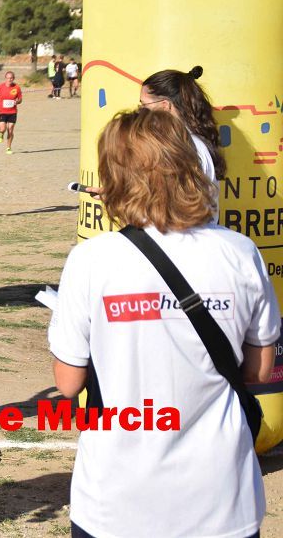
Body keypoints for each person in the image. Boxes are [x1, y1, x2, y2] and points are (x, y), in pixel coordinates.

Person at [48, 107, 278, 538]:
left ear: (113, 177)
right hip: (222, 499)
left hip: (115, 501)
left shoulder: (92, 259)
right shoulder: (240, 251)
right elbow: (259, 370)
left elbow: (67, 382)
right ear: (189, 167)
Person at [138, 66, 224, 185]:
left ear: (164, 106)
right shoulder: (186, 143)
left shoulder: (186, 148)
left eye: (144, 105)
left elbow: (176, 199)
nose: (140, 111)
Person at [0, 71, 22, 155]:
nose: (10, 79)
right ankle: (1, 134)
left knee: (10, 129)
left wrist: (17, 101)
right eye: (8, 78)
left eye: (11, 78)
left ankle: (8, 147)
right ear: (5, 78)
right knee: (2, 128)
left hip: (13, 112)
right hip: (3, 111)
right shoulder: (0, 86)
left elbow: (20, 99)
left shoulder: (17, 87)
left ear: (13, 78)